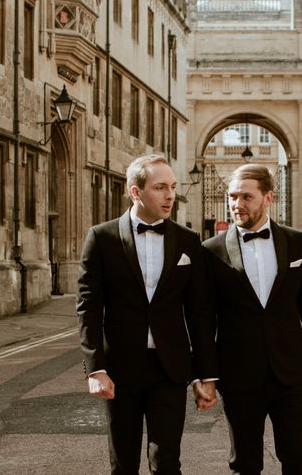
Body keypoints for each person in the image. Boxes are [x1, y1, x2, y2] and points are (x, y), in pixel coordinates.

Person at [77, 154, 218, 474]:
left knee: (167, 462)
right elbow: (88, 306)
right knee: (123, 463)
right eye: (160, 188)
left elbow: (199, 312)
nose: (170, 195)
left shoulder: (187, 240)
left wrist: (203, 375)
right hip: (120, 369)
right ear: (135, 192)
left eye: (173, 187)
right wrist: (95, 368)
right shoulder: (102, 237)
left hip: (169, 369)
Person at [202, 164, 302, 475]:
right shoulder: (210, 250)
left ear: (268, 197)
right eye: (232, 196)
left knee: (298, 457)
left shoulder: (296, 241)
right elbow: (204, 320)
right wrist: (205, 375)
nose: (236, 204)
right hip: (238, 375)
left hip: (289, 373)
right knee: (245, 463)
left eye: (246, 197)